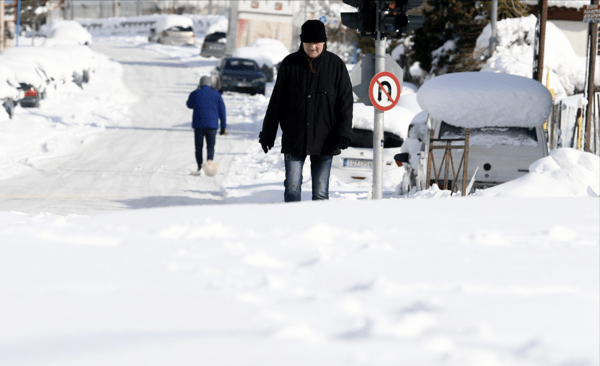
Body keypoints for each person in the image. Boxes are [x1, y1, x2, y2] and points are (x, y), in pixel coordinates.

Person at [259, 19, 353, 202]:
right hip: (295, 138)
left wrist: (344, 132)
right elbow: (276, 102)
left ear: (324, 42)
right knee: (292, 189)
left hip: (326, 139)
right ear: (302, 42)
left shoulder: (336, 65)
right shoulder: (289, 64)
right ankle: (293, 227)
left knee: (320, 193)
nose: (313, 47)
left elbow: (345, 103)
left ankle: (317, 229)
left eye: (317, 43)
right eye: (309, 43)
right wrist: (268, 134)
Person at [186, 75, 226, 176]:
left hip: (198, 125)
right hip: (212, 126)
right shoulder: (217, 94)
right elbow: (222, 112)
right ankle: (208, 167)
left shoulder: (195, 93)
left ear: (200, 83)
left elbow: (189, 105)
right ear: (210, 83)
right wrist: (223, 127)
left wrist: (196, 90)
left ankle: (200, 167)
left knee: (198, 147)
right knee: (210, 147)